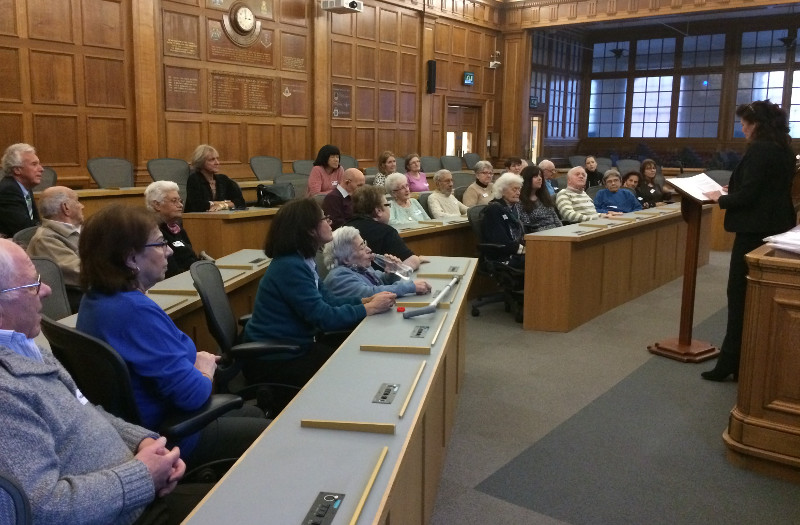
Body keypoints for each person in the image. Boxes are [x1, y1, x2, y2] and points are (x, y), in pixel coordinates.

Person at [0, 238, 207, 524]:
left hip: (139, 493)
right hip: (130, 513)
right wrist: (144, 475)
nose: (46, 290)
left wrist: (144, 442)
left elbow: (87, 409)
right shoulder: (5, 394)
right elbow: (44, 508)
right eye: (32, 284)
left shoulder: (23, 346)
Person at [76, 205, 268, 469]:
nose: (169, 250)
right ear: (131, 259)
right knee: (271, 435)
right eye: (160, 243)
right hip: (172, 436)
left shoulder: (96, 299)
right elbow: (192, 395)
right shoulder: (133, 312)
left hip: (145, 427)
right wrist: (204, 369)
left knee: (252, 411)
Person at [242, 199, 395, 386]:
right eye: (324, 218)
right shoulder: (290, 266)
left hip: (295, 346)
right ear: (310, 229)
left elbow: (330, 300)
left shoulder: (303, 260)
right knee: (349, 374)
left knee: (353, 358)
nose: (329, 222)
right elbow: (324, 318)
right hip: (275, 358)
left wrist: (366, 301)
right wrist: (368, 309)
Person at [701, 100, 796, 382]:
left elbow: (751, 196)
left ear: (757, 125)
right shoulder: (784, 149)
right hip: (776, 227)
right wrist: (739, 187)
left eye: (744, 125)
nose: (742, 130)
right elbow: (766, 187)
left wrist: (723, 198)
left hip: (754, 230)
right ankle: (746, 358)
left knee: (739, 294)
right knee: (757, 297)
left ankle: (730, 361)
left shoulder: (760, 150)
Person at [323, 226, 430, 298]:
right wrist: (411, 287)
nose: (369, 249)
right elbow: (372, 293)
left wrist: (392, 272)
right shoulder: (339, 277)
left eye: (364, 243)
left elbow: (382, 281)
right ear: (346, 259)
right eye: (362, 247)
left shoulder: (360, 268)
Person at [346, 185, 425, 270]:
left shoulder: (342, 230)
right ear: (378, 211)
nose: (389, 208)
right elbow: (410, 261)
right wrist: (418, 259)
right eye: (387, 205)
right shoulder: (386, 232)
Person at [26, 186, 83, 287]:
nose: (82, 206)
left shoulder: (82, 229)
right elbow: (80, 272)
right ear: (66, 207)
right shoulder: (45, 240)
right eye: (77, 201)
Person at [145, 180, 203, 277]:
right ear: (157, 205)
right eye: (174, 201)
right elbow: (171, 272)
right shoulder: (153, 233)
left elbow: (191, 258)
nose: (180, 205)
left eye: (180, 201)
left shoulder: (179, 230)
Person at [481, 173, 525, 269]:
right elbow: (501, 240)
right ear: (502, 191)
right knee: (538, 259)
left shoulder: (514, 208)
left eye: (519, 189)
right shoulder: (494, 209)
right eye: (514, 189)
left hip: (517, 252)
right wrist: (524, 249)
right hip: (502, 256)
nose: (518, 193)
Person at [184, 144, 245, 212]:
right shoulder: (194, 179)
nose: (217, 163)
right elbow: (198, 205)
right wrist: (225, 203)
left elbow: (240, 202)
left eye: (217, 159)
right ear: (201, 162)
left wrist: (221, 205)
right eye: (212, 160)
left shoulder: (223, 179)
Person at [0, 143, 42, 238]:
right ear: (17, 170)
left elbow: (34, 221)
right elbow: (23, 230)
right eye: (34, 164)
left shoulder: (24, 187)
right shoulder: (8, 191)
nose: (41, 169)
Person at [556, 167, 623, 223]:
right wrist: (596, 218)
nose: (581, 176)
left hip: (594, 225)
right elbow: (569, 215)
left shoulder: (584, 194)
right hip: (579, 229)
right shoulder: (563, 194)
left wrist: (604, 215)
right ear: (569, 180)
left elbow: (592, 214)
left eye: (583, 175)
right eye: (577, 174)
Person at [516, 165, 562, 232]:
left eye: (540, 176)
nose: (540, 178)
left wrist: (562, 232)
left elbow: (556, 220)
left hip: (556, 234)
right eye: (535, 176)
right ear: (527, 179)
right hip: (538, 236)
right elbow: (528, 227)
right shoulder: (520, 201)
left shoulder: (544, 198)